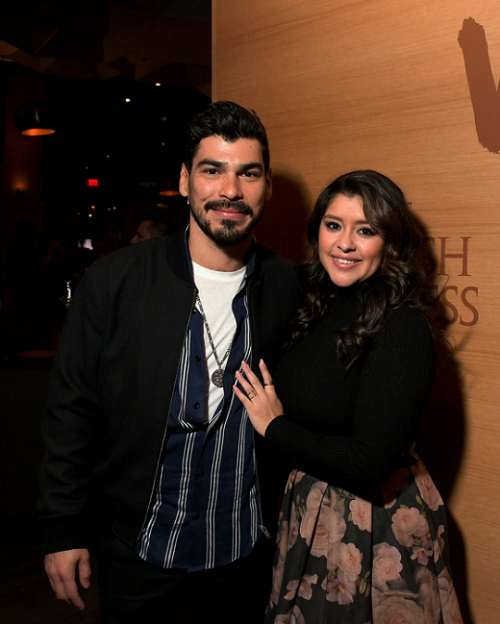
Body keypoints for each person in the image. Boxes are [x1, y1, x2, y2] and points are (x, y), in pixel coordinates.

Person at [37, 100, 300, 623]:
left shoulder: (289, 287)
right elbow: (71, 408)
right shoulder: (114, 281)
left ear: (266, 184)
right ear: (184, 181)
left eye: (247, 173)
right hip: (139, 548)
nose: (230, 190)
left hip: (241, 551)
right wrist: (63, 525)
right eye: (212, 171)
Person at [234, 170, 463, 623]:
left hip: (373, 526)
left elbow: (368, 461)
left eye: (365, 230)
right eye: (333, 225)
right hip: (310, 510)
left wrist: (275, 427)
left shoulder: (402, 327)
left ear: (390, 242)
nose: (344, 243)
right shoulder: (314, 304)